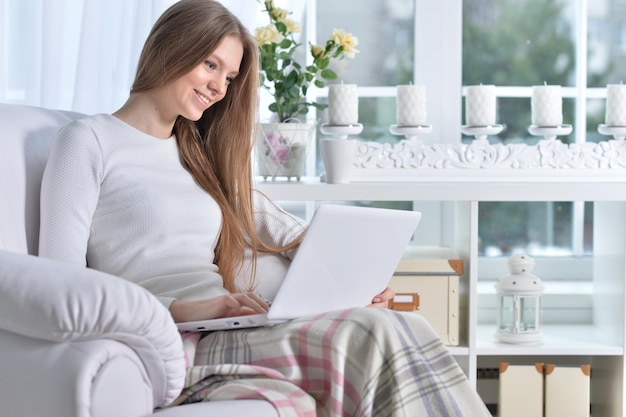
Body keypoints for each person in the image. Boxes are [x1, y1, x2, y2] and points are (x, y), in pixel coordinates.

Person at [38, 0, 491, 415]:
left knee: (395, 323)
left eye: (229, 77)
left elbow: (287, 232)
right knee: (372, 335)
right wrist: (185, 310)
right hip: (170, 341)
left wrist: (357, 279)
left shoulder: (197, 155)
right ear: (170, 48)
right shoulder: (88, 141)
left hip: (233, 327)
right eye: (210, 65)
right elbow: (60, 288)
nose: (219, 87)